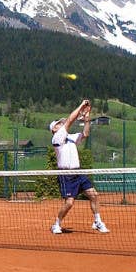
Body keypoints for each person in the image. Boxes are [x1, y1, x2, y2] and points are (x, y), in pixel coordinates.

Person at [50, 99, 108, 234]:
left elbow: (85, 134)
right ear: (54, 129)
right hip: (66, 175)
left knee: (93, 194)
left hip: (78, 173)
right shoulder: (57, 138)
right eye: (58, 123)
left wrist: (87, 119)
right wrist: (81, 106)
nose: (61, 123)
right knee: (69, 203)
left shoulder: (70, 137)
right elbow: (70, 120)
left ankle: (97, 221)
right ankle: (57, 224)